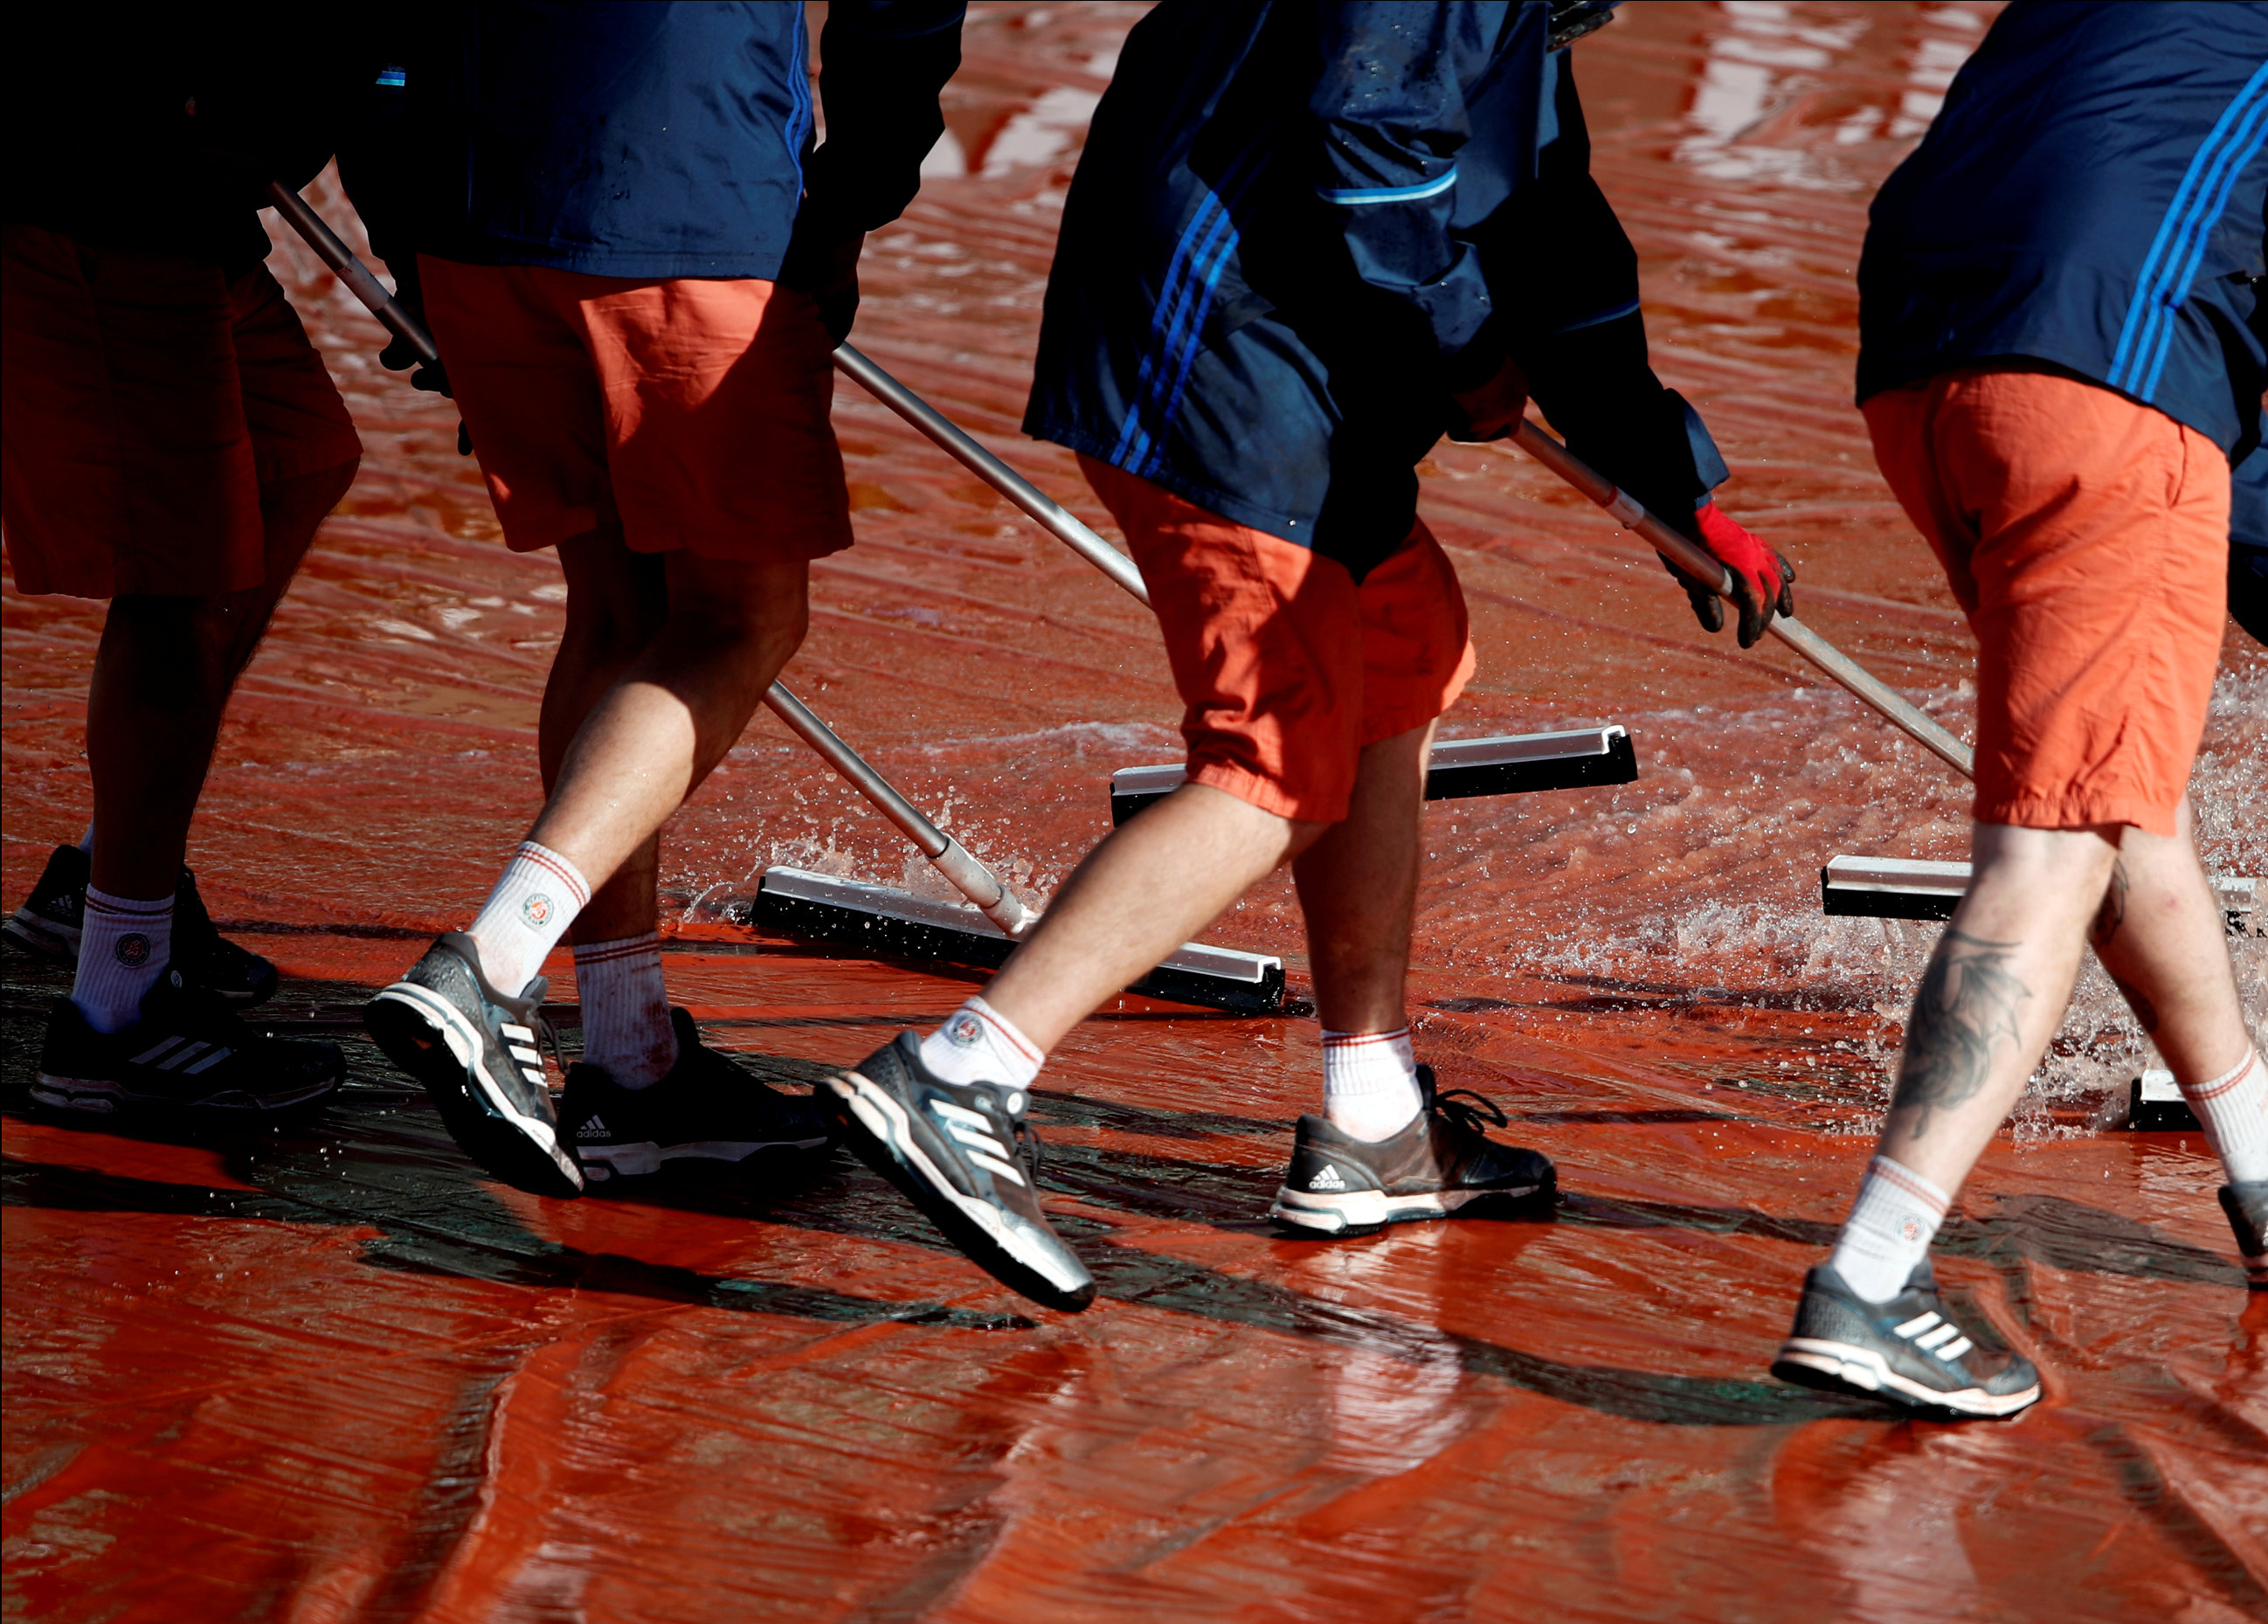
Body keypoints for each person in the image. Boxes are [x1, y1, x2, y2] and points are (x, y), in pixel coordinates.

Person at [817, 0, 1797, 1310]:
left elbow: (1547, 216)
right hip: (1218, 347)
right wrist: (1460, 344)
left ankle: (1374, 1112)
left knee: (1404, 645)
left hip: (1307, 364)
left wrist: (1670, 475)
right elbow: (1375, 139)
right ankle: (960, 1077)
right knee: (1276, 755)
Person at [1769, 0, 2268, 1418]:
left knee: (2108, 793)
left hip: (1924, 361)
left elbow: (2129, 281)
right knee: (2056, 842)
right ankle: (1872, 1276)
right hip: (2097, 364)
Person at [347, 1, 965, 1194]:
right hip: (688, 201)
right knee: (740, 619)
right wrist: (849, 203)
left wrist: (404, 236)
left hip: (474, 216)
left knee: (618, 616)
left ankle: (631, 1067)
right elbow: (902, 12)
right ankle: (491, 964)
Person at [3, 10, 372, 1120]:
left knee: (295, 458)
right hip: (107, 189)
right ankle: (112, 1016)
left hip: (181, 186)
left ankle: (111, 873)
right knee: (178, 580)